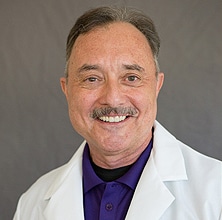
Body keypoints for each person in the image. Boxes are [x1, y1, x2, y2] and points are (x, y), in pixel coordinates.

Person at [13, 6, 222, 220]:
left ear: (157, 86)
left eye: (131, 78)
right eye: (92, 79)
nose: (112, 98)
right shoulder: (32, 204)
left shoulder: (216, 193)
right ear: (67, 90)